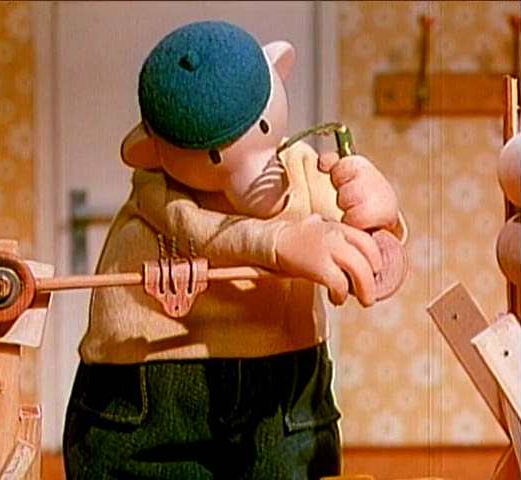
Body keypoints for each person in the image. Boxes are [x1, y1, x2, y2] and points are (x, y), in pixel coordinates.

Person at [63, 20, 407, 479]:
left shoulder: (304, 169)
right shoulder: (158, 191)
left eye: (261, 127)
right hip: (151, 382)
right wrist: (280, 242)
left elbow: (377, 260)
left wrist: (381, 217)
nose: (254, 172)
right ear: (152, 151)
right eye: (216, 159)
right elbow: (198, 231)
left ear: (277, 73)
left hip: (283, 384)